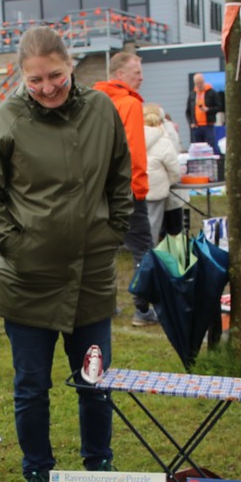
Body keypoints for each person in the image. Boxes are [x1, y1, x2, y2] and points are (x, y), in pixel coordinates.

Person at [0, 26, 133, 482]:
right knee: (31, 387)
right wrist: (14, 246)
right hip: (27, 282)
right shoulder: (7, 119)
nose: (47, 88)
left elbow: (120, 178)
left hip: (90, 278)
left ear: (71, 65)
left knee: (95, 382)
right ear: (22, 77)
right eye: (36, 80)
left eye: (56, 76)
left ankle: (99, 466)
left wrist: (112, 232)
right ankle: (38, 474)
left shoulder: (102, 110)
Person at [93, 51, 152, 326]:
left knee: (101, 250)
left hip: (97, 189)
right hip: (125, 189)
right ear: (120, 74)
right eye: (136, 72)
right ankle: (142, 308)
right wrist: (139, 189)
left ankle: (103, 304)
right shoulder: (130, 104)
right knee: (142, 250)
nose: (142, 78)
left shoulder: (94, 101)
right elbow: (134, 152)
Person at [143, 103, 183, 245]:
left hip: (136, 186)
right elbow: (174, 169)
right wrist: (169, 182)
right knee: (153, 224)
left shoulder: (133, 136)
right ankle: (150, 252)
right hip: (156, 189)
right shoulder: (164, 140)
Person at [186, 72, 223, 146]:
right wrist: (191, 123)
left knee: (210, 146)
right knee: (197, 147)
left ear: (204, 82)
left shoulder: (212, 92)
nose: (199, 85)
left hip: (208, 126)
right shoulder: (192, 94)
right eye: (197, 83)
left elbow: (219, 107)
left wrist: (208, 109)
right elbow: (188, 111)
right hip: (196, 127)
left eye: (201, 83)